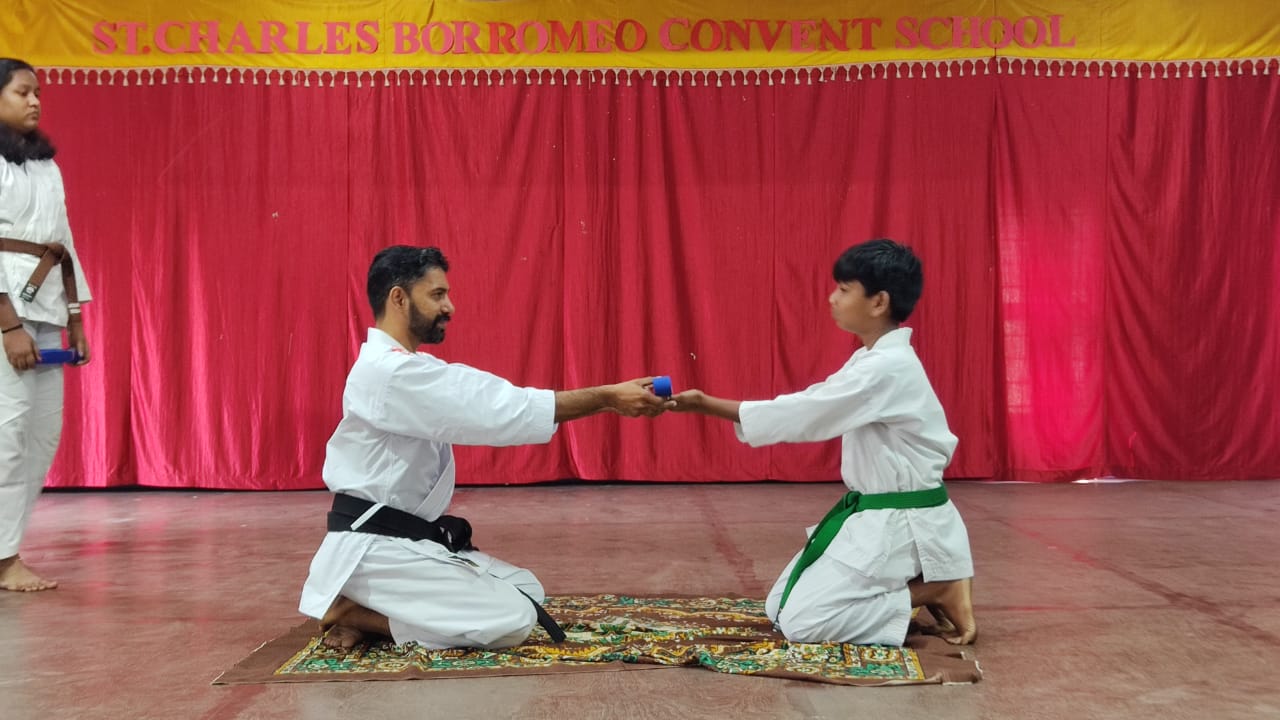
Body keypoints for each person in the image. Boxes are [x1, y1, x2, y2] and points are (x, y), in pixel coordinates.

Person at [300, 245, 670, 650]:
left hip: (404, 543)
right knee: (513, 619)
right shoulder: (390, 373)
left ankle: (366, 607)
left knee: (527, 589)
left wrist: (606, 399)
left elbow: (487, 397)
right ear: (399, 298)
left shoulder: (408, 367)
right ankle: (356, 614)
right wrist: (607, 398)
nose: (449, 306)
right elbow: (499, 408)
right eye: (437, 294)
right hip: (375, 549)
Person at [669, 239, 976, 646]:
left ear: (879, 301)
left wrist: (705, 404)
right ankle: (910, 590)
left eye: (844, 289)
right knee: (778, 607)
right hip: (876, 514)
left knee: (805, 623)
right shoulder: (872, 360)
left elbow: (807, 412)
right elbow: (816, 402)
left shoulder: (888, 367)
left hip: (904, 521)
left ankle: (935, 589)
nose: (832, 298)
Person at [0, 58, 93, 593]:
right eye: (22, 92)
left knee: (41, 435)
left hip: (47, 307)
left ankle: (7, 548)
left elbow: (65, 240)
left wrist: (76, 317)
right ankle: (4, 559)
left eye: (38, 92)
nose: (35, 101)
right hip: (6, 314)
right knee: (6, 433)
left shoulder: (45, 166)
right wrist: (8, 325)